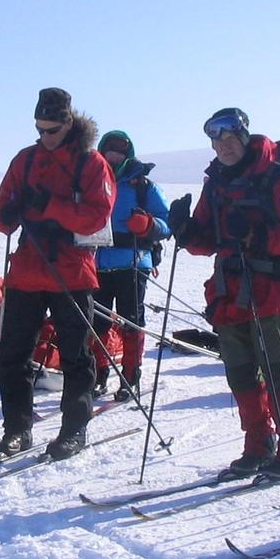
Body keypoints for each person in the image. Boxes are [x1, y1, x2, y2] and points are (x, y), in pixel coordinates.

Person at [169, 108, 280, 479]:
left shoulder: (274, 176)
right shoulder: (216, 182)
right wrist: (186, 232)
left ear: (244, 137)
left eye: (231, 138)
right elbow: (208, 238)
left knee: (276, 371)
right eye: (218, 140)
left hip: (269, 288)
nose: (224, 146)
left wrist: (257, 237)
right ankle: (258, 444)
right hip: (229, 290)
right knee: (240, 373)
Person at [0, 88, 116, 460]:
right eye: (39, 129)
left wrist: (51, 207)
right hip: (28, 269)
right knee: (12, 354)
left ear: (67, 123)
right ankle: (17, 429)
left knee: (76, 356)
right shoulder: (25, 160)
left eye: (51, 130)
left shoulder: (90, 164)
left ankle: (74, 429)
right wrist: (8, 212)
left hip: (72, 271)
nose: (44, 137)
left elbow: (97, 216)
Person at [90, 130, 171, 401]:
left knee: (130, 322)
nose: (114, 155)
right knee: (96, 323)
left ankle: (130, 376)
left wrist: (148, 225)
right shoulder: (89, 181)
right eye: (110, 150)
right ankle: (98, 374)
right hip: (95, 263)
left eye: (120, 151)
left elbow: (166, 221)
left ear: (128, 154)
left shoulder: (142, 186)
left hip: (133, 263)